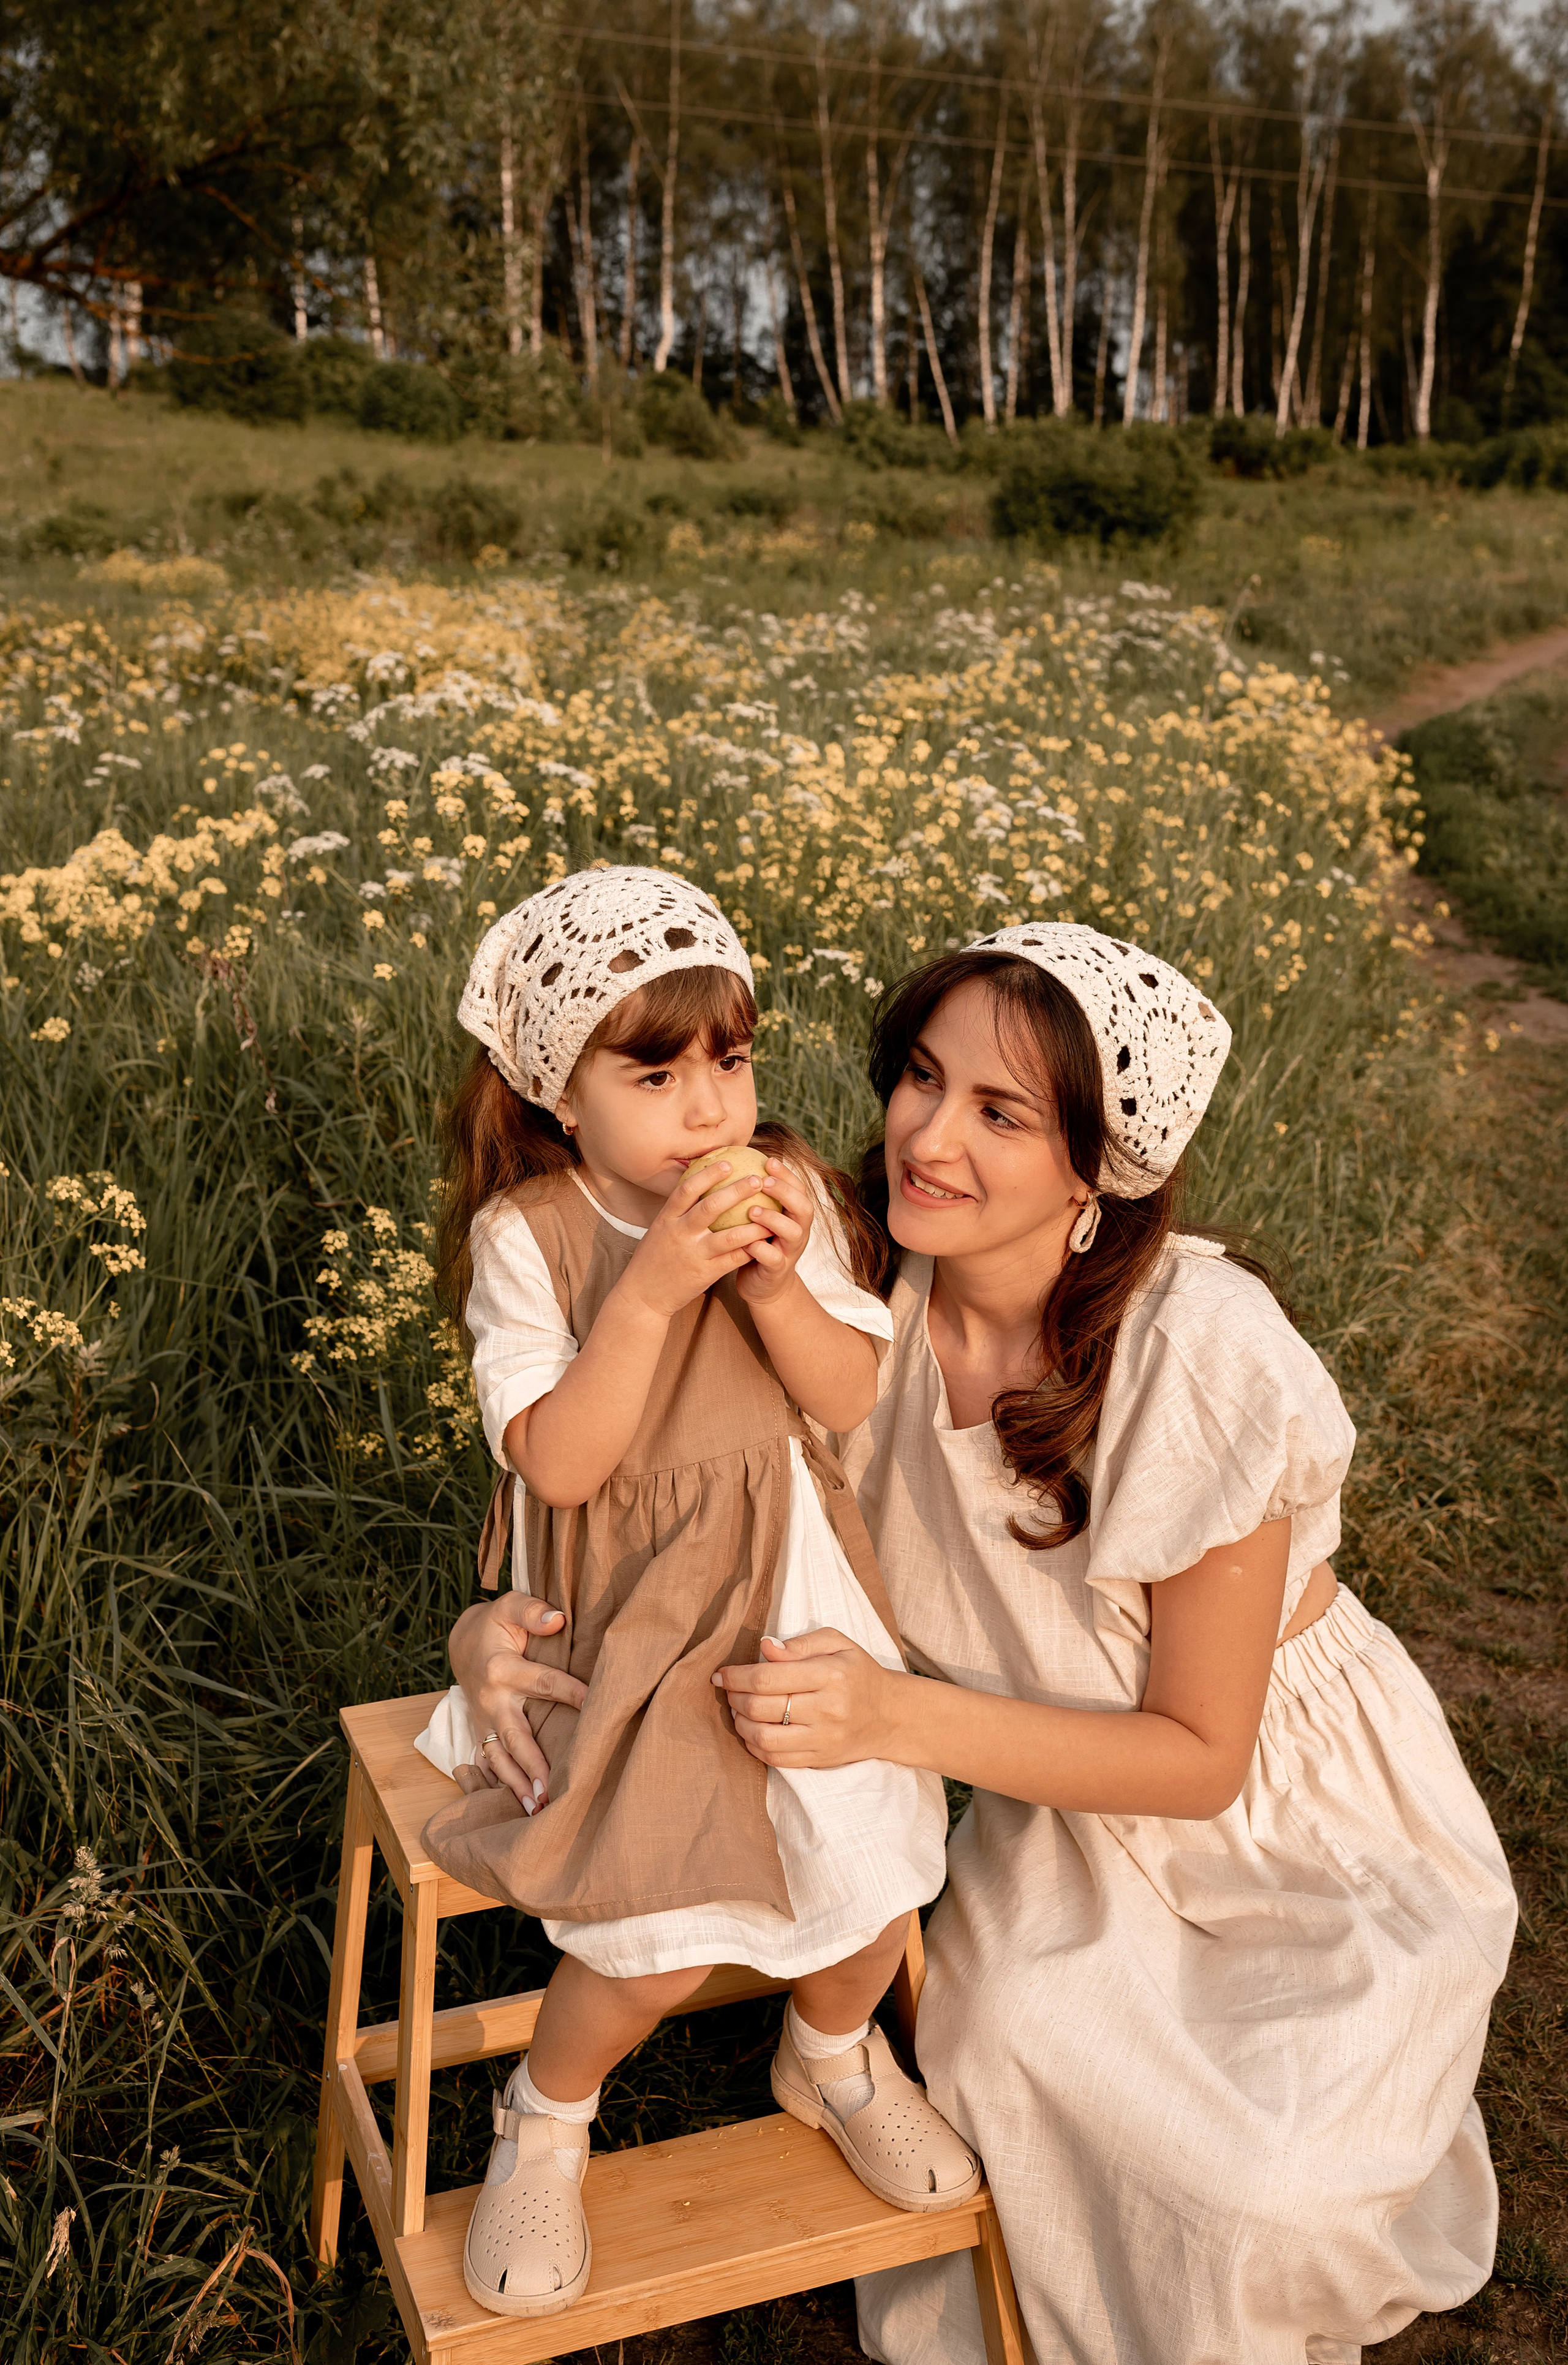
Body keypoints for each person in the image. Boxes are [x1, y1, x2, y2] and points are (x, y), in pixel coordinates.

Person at [714, 924, 1517, 2365]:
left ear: (1095, 1168)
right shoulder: (851, 1300)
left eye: (998, 1112)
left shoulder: (1199, 1349)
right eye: (919, 1076)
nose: (926, 1134)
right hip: (1057, 1801)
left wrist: (888, 1717)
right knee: (1019, 2053)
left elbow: (1201, 1753)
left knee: (1271, 2191)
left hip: (1290, 1807)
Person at [413, 867, 976, 2325]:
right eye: (654, 1073)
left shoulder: (785, 1191)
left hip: (796, 1593)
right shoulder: (527, 1238)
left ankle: (833, 2049)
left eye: (727, 1058)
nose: (710, 1108)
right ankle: (545, 2108)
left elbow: (848, 1394)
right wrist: (656, 1287)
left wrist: (779, 1284)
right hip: (637, 1619)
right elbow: (564, 1459)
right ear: (559, 1097)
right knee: (643, 1939)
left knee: (874, 1868)